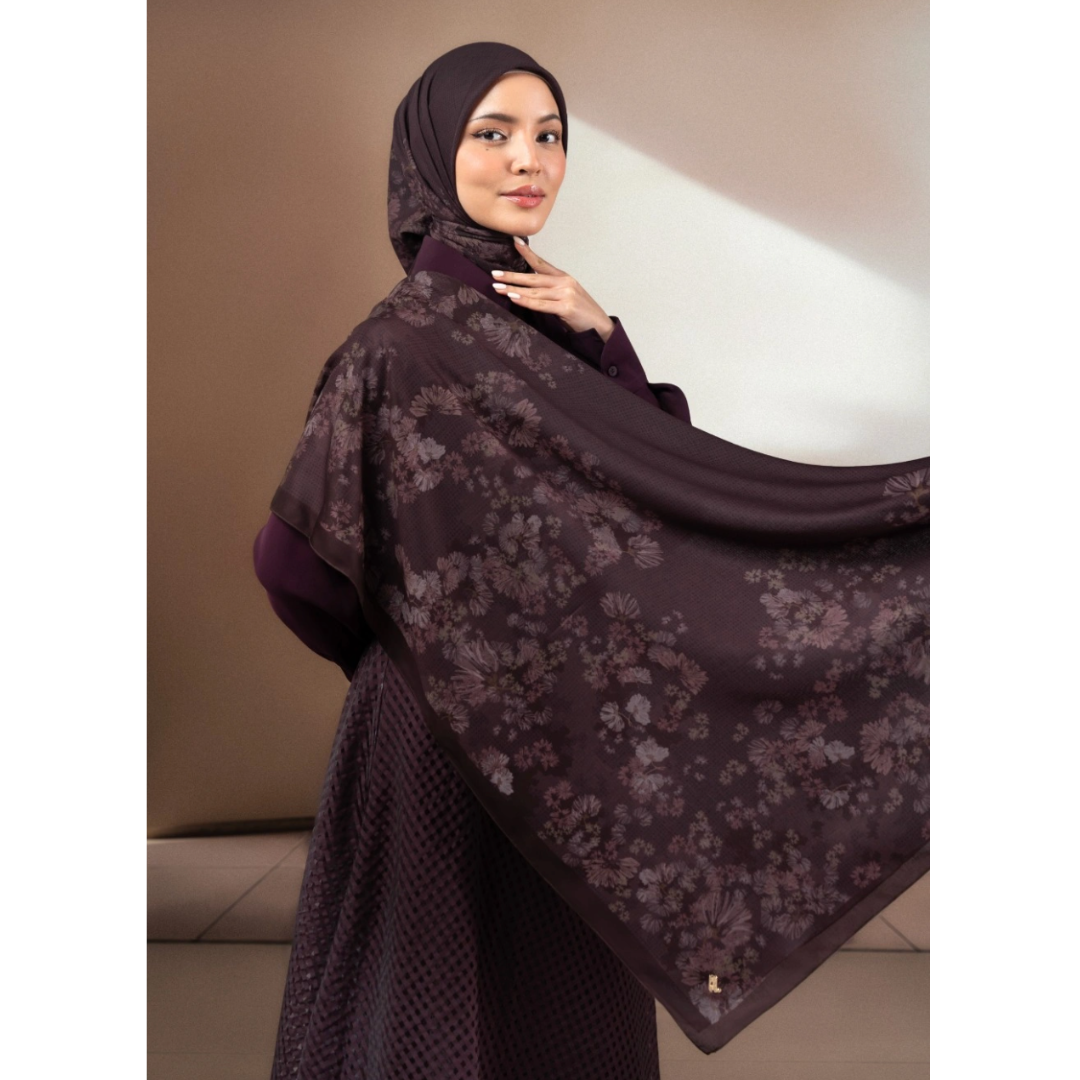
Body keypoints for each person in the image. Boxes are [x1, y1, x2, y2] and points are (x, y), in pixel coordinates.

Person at [254, 43, 686, 1078]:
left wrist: (605, 335)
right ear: (432, 153)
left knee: (554, 1008)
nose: (528, 160)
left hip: (563, 737)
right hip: (439, 742)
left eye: (549, 135)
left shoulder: (551, 327)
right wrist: (411, 659)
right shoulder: (398, 345)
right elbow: (293, 563)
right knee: (438, 1009)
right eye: (492, 134)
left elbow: (659, 501)